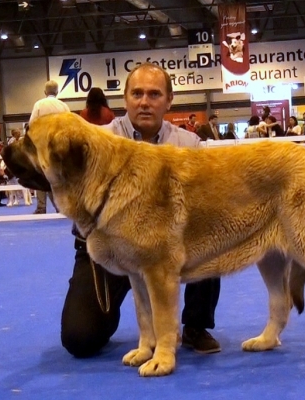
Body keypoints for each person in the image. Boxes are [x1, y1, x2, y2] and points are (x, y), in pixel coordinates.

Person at [61, 63, 222, 358]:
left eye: (154, 94)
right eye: (137, 93)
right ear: (125, 98)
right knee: (80, 339)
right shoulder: (99, 142)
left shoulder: (189, 145)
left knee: (210, 231)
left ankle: (195, 325)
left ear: (169, 100)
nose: (144, 102)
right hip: (108, 248)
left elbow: (206, 203)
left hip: (166, 247)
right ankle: (125, 318)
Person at [29, 80, 70, 214]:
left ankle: (41, 207)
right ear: (57, 92)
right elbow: (70, 125)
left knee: (41, 177)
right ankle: (60, 207)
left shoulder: (39, 104)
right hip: (59, 146)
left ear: (45, 92)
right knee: (57, 178)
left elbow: (32, 124)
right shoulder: (63, 106)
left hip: (42, 146)